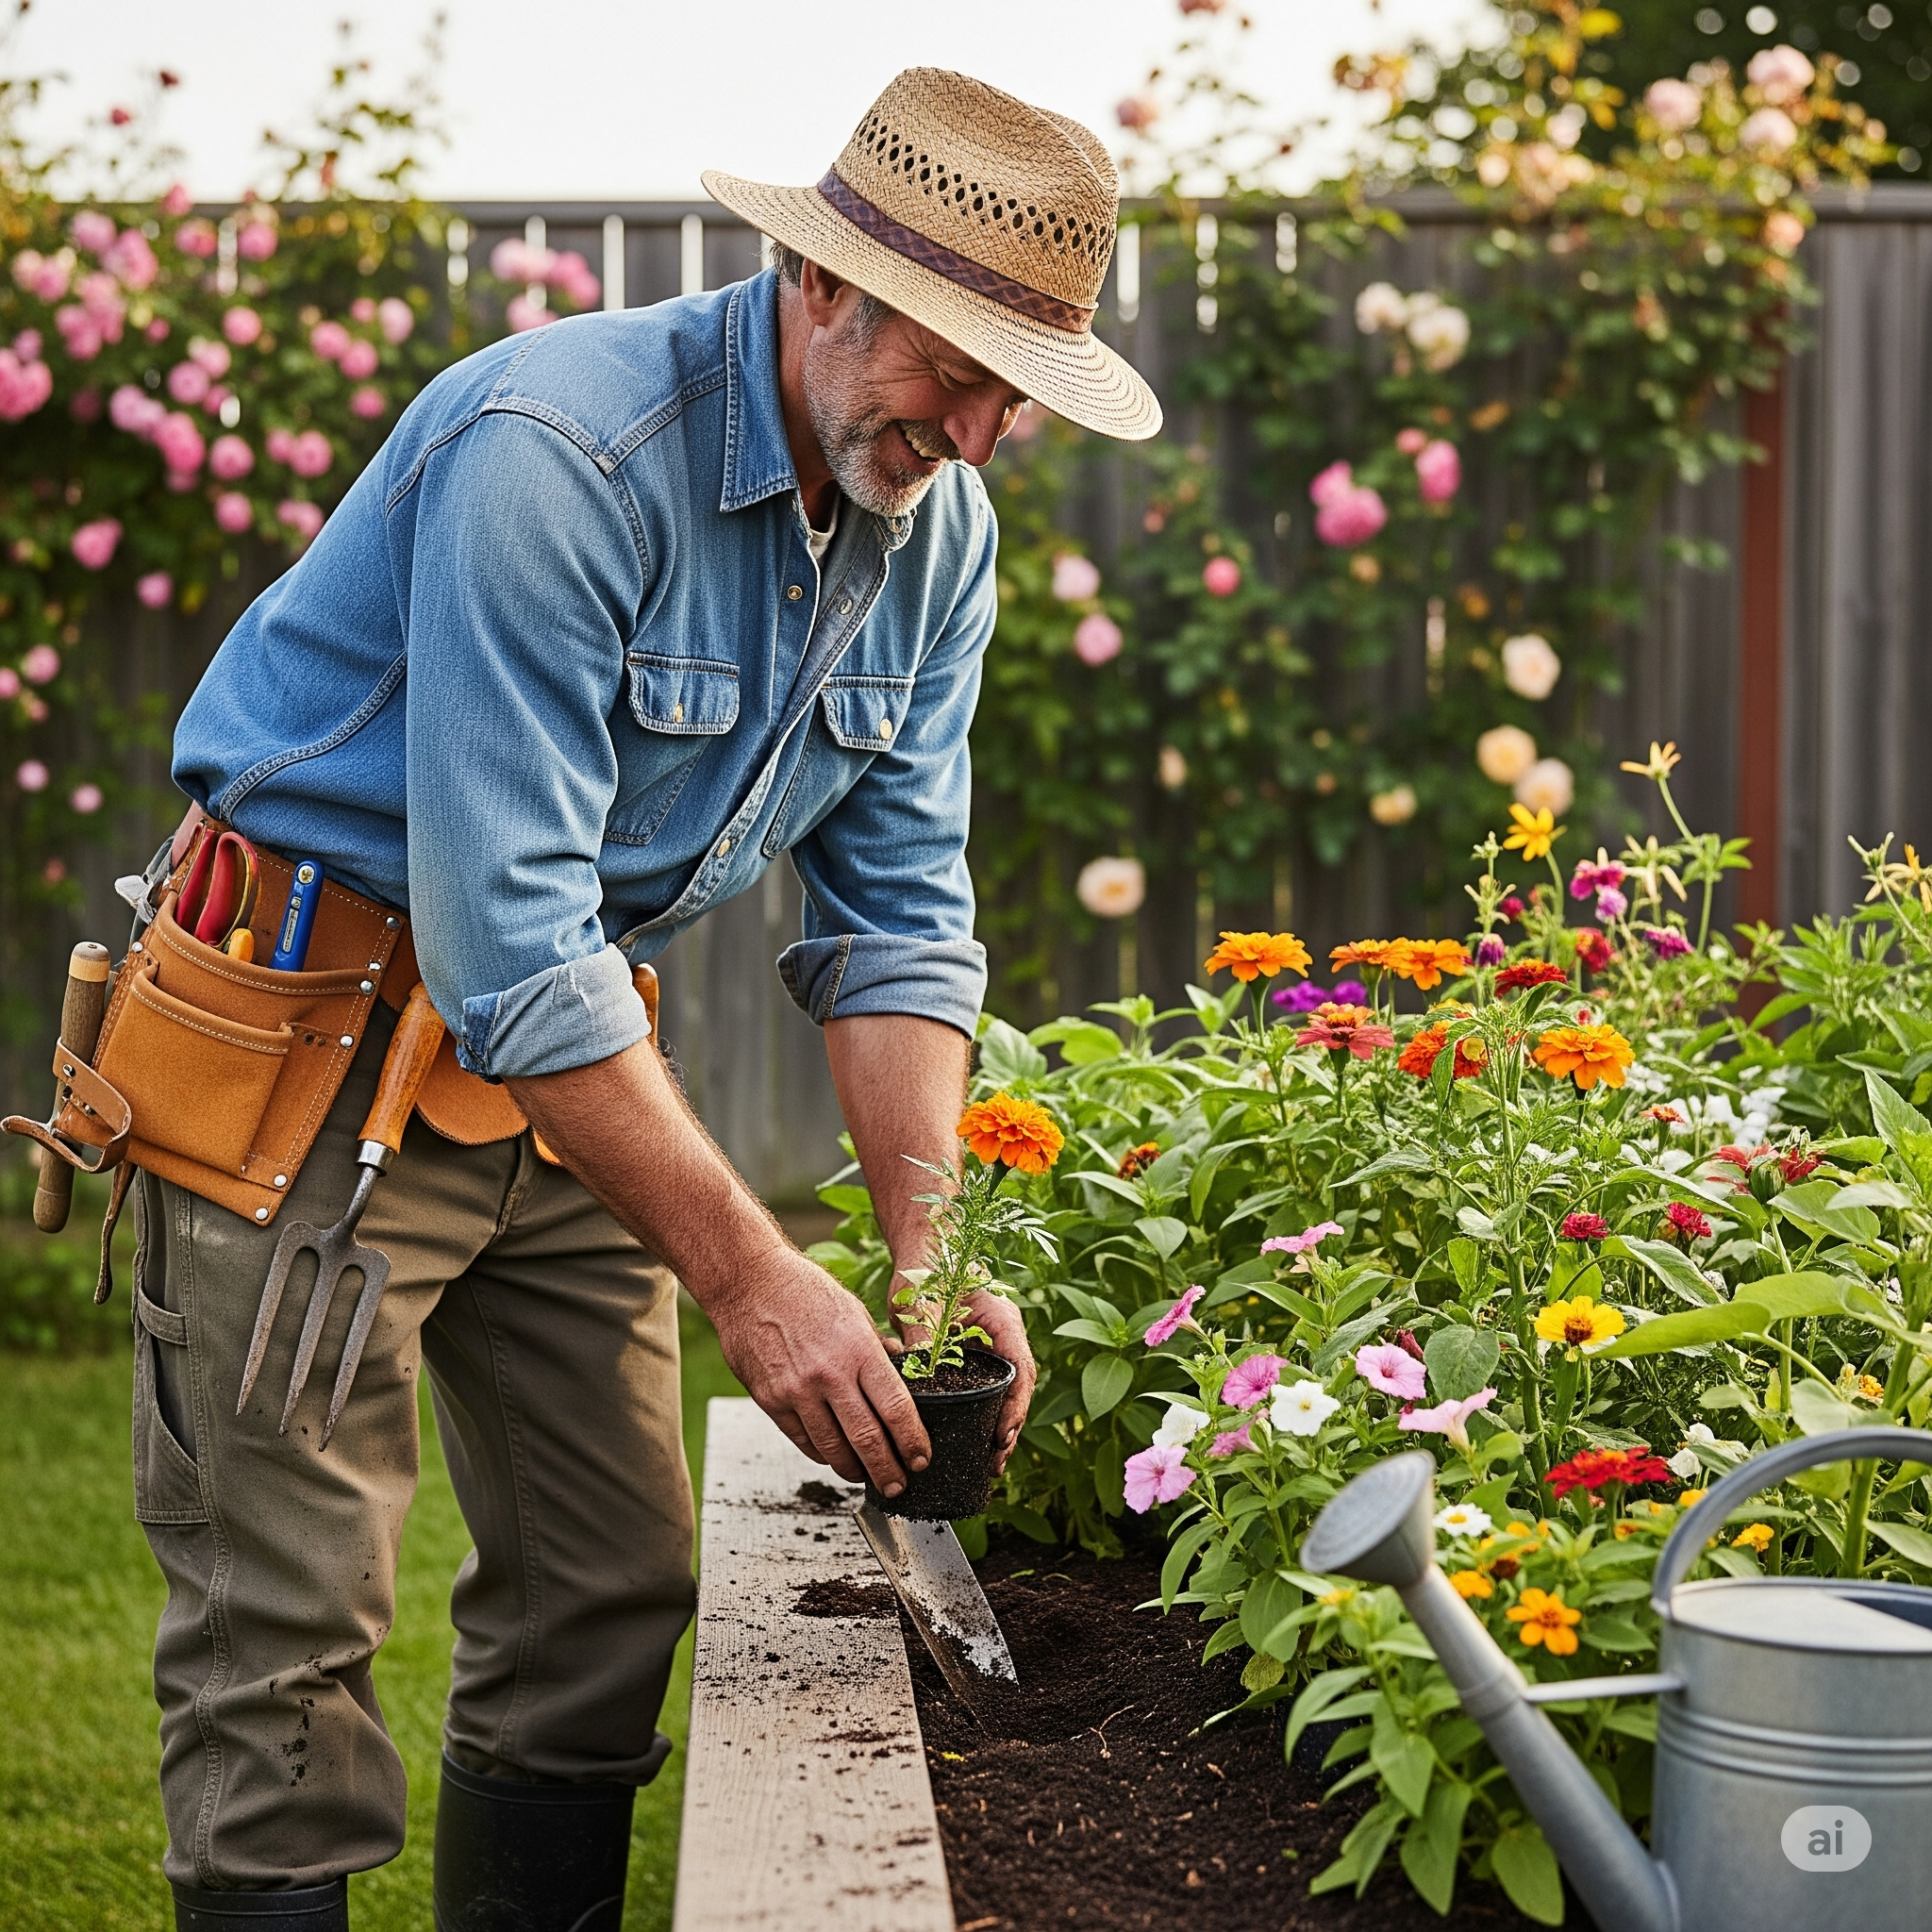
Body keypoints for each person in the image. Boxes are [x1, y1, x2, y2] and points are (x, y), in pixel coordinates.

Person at [148, 65, 1158, 1932]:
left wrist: (929, 1260)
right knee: (283, 1657)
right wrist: (752, 1271)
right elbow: (506, 935)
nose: (985, 426)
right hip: (305, 1055)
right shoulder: (558, 450)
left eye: (1023, 387)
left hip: (565, 1074)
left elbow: (895, 915)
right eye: (956, 362)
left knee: (603, 1594)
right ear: (823, 283)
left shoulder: (934, 531)